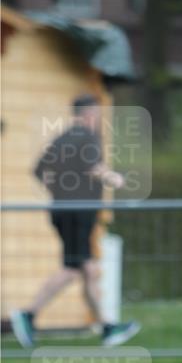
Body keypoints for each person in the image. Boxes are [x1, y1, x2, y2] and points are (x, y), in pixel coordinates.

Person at [10, 94, 140, 349]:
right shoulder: (88, 136)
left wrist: (59, 191)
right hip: (79, 213)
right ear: (88, 113)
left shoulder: (61, 139)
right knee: (71, 269)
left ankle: (107, 328)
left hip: (61, 211)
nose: (100, 118)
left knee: (88, 270)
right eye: (97, 113)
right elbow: (94, 167)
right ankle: (28, 314)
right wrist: (114, 179)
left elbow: (39, 171)